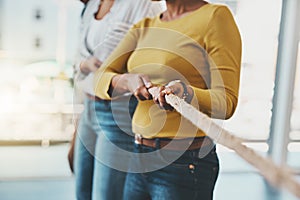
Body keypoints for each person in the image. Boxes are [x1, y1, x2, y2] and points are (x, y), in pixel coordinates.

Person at [94, 0, 242, 199]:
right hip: (138, 156)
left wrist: (185, 93)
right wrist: (126, 81)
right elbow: (98, 79)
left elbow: (226, 102)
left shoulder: (216, 17)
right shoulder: (144, 26)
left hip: (183, 164)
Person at [73, 0, 165, 199]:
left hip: (118, 112)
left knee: (105, 196)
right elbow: (77, 60)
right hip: (88, 109)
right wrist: (85, 64)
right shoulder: (92, 6)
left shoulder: (145, 6)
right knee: (82, 193)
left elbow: (153, 66)